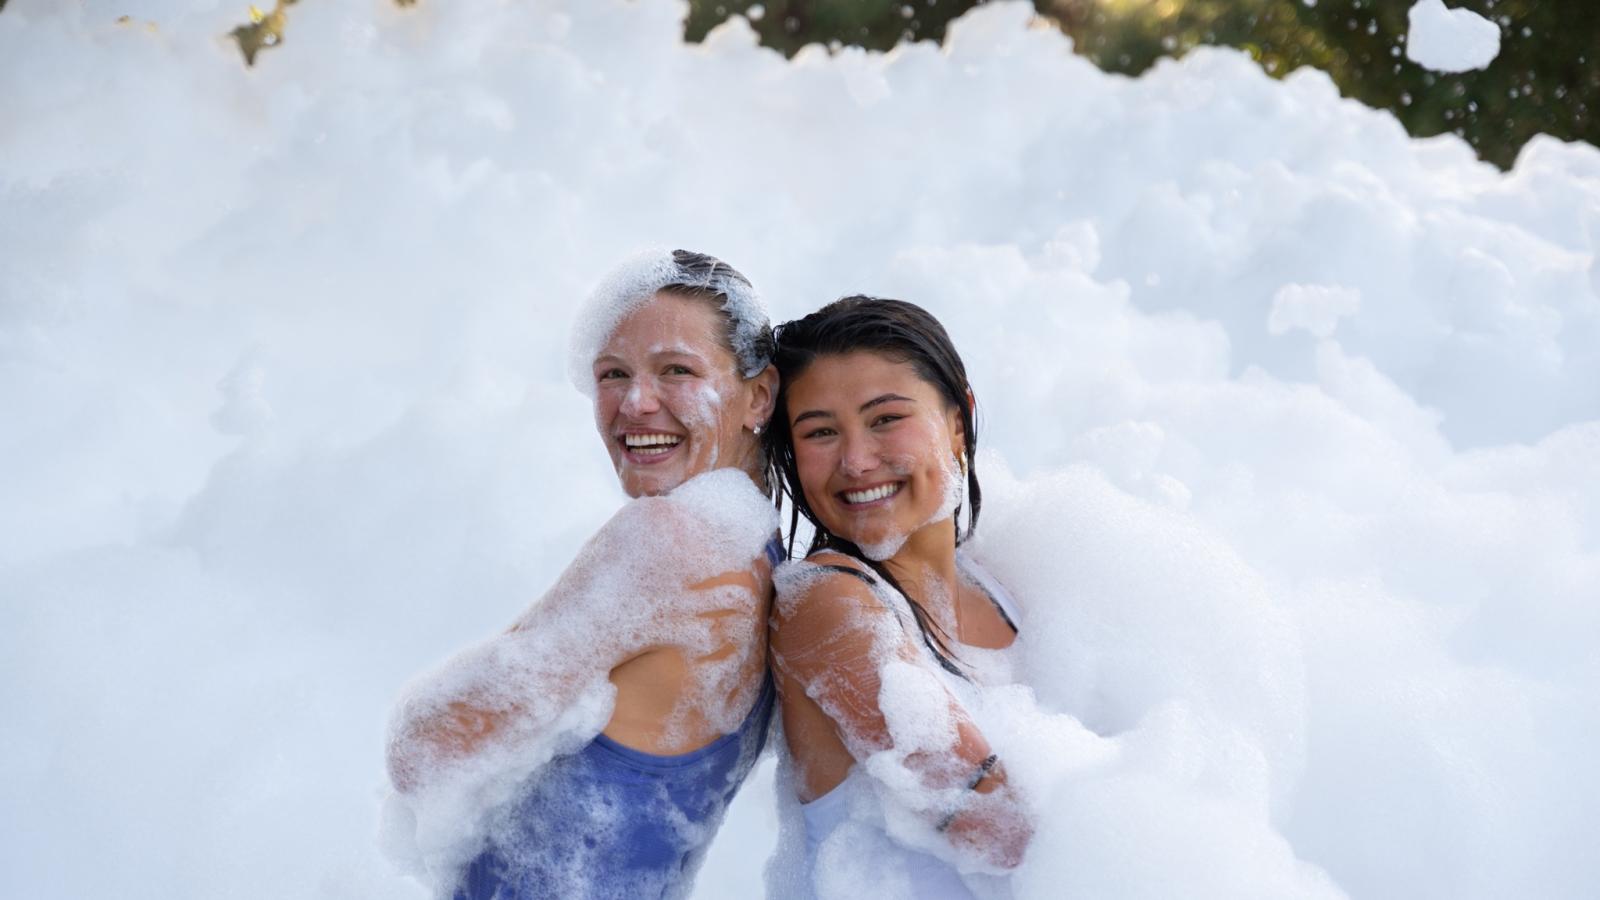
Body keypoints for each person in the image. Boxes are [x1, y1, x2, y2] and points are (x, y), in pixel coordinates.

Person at [385, 250, 781, 900]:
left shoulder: (669, 542)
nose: (635, 402)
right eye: (612, 374)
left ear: (758, 394)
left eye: (676, 371)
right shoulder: (763, 557)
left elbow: (426, 748)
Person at [762, 296, 1033, 899]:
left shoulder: (1010, 587)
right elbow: (1001, 834)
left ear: (957, 420)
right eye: (821, 432)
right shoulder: (827, 602)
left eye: (885, 419)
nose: (856, 461)